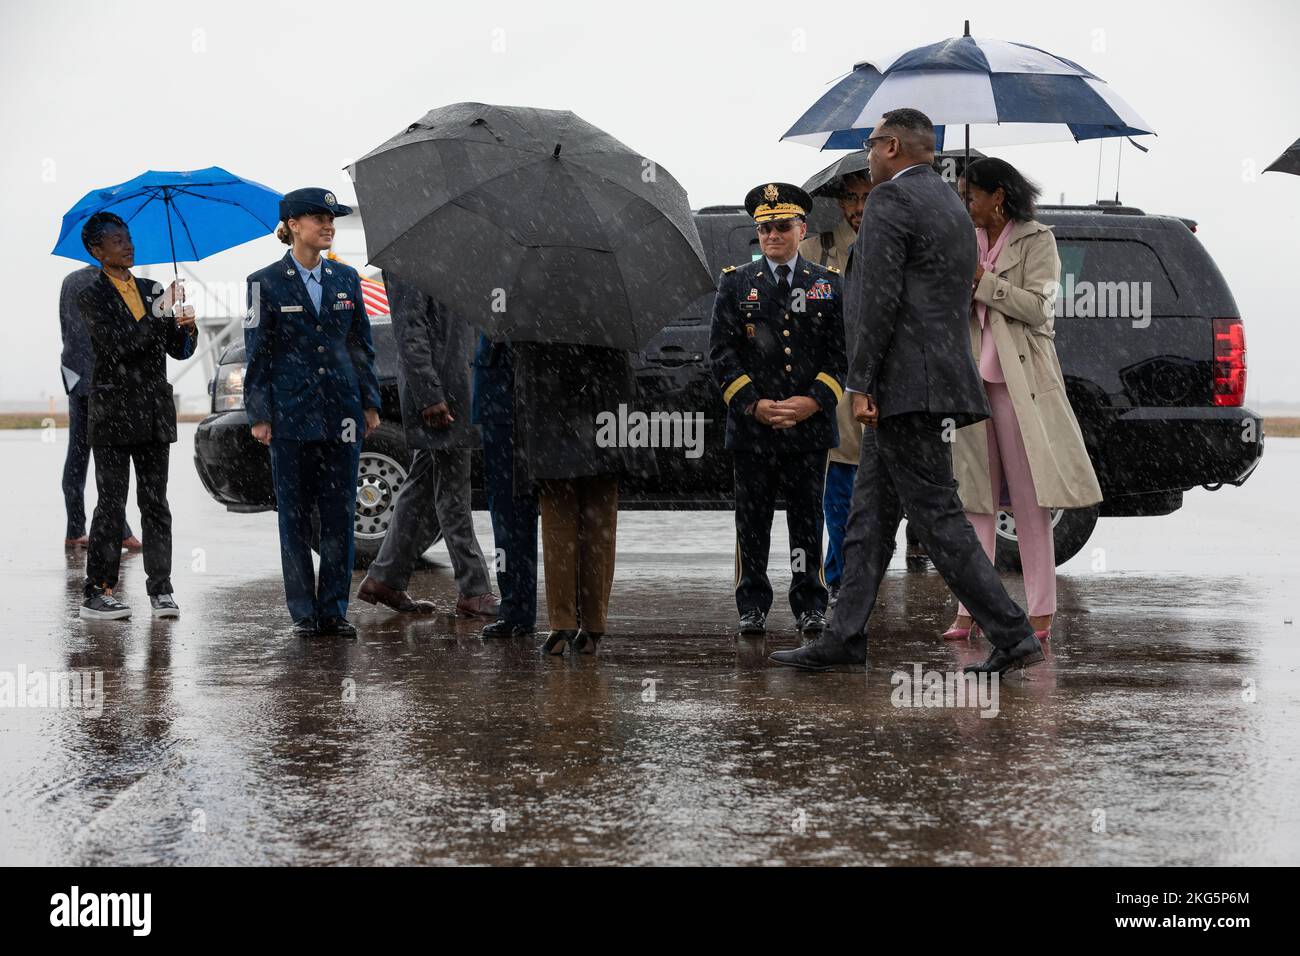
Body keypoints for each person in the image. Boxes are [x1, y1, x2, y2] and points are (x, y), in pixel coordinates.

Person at [770, 108, 1043, 675]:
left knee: (938, 518)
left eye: (871, 145)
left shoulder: (892, 200)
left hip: (902, 385)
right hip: (930, 377)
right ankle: (844, 635)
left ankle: (1014, 634)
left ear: (891, 145)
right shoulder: (947, 202)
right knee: (868, 519)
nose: (867, 155)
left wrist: (861, 382)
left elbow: (879, 298)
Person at [943, 158, 1102, 641]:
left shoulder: (1039, 240)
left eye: (971, 195)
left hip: (1020, 382)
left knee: (1030, 503)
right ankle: (970, 610)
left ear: (999, 195)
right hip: (971, 380)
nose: (964, 202)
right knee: (975, 500)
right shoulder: (961, 237)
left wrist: (981, 283)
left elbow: (1037, 307)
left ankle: (1040, 614)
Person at [710, 182, 846, 638]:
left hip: (808, 429)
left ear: (801, 228)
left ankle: (810, 601)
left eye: (782, 226)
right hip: (754, 429)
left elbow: (841, 357)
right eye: (765, 228)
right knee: (752, 520)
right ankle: (752, 603)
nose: (772, 236)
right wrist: (754, 404)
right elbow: (721, 356)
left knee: (807, 520)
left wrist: (813, 401)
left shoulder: (828, 285)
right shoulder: (735, 284)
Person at [244, 188, 381, 638]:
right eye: (318, 218)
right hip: (289, 416)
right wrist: (260, 414)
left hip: (341, 414)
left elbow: (361, 344)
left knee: (340, 515)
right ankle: (304, 612)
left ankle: (334, 611)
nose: (328, 225)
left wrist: (369, 402)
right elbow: (258, 354)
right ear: (292, 226)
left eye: (332, 218)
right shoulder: (262, 282)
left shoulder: (346, 278)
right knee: (295, 517)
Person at [356, 276, 499, 618]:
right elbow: (410, 330)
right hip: (441, 398)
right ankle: (474, 590)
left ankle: (384, 578)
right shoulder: (413, 262)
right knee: (452, 494)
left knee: (422, 485)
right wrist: (429, 393)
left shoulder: (450, 257)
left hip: (457, 391)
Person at [76, 212, 196, 620]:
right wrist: (157, 313)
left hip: (154, 413)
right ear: (96, 251)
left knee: (156, 503)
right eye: (115, 240)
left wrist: (186, 326)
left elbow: (177, 350)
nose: (127, 245)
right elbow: (118, 347)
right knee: (111, 504)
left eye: (127, 237)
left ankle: (161, 590)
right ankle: (97, 590)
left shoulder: (153, 289)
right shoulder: (91, 296)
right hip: (112, 414)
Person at [513, 342, 654, 656]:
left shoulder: (531, 302)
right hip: (598, 397)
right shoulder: (611, 302)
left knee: (560, 526)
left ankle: (564, 624)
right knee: (596, 525)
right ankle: (590, 626)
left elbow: (516, 343)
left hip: (553, 398)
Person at [59, 264, 139, 550]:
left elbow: (67, 331)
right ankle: (120, 530)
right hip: (102, 382)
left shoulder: (70, 281)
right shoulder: (111, 282)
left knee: (78, 455)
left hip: (76, 376)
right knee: (111, 459)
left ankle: (75, 529)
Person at [473, 333, 539, 639]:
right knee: (508, 513)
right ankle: (516, 607)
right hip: (500, 398)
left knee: (515, 512)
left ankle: (523, 609)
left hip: (528, 394)